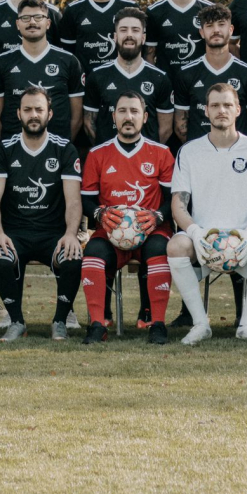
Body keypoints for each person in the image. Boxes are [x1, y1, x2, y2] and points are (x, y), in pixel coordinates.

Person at [165, 83, 247, 346]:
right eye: (215, 105)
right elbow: (178, 205)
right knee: (176, 245)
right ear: (206, 111)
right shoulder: (189, 151)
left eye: (227, 105)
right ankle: (200, 324)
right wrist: (196, 233)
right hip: (203, 237)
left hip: (244, 237)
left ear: (238, 109)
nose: (221, 110)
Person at [0, 87, 85, 342]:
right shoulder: (5, 150)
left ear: (49, 114)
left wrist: (70, 234)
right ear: (18, 113)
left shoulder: (65, 149)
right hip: (14, 234)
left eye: (39, 109)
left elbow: (74, 201)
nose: (33, 115)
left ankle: (60, 321)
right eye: (28, 109)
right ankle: (16, 321)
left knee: (72, 256)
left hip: (53, 234)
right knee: (0, 257)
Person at [80, 92, 177, 344]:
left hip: (152, 230)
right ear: (114, 117)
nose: (128, 117)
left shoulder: (161, 153)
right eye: (122, 111)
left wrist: (157, 216)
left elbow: (174, 199)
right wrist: (100, 214)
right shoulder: (97, 154)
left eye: (134, 111)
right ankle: (97, 324)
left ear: (145, 117)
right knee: (92, 253)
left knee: (159, 249)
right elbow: (86, 200)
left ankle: (157, 324)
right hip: (111, 231)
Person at [0, 0, 84, 141]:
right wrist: (12, 147)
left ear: (48, 23)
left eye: (38, 17)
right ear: (18, 24)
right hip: (15, 150)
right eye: (25, 18)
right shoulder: (2, 62)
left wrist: (62, 147)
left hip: (58, 150)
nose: (32, 22)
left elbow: (77, 118)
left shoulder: (69, 61)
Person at [83, 7, 173, 146]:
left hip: (146, 158)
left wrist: (145, 152)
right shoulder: (97, 76)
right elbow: (89, 125)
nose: (129, 35)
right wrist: (109, 151)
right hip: (109, 158)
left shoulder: (159, 78)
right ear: (115, 37)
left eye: (135, 30)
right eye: (123, 30)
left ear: (143, 38)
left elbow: (166, 129)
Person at [173, 4, 247, 140]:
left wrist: (240, 148)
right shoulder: (186, 73)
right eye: (209, 26)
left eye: (221, 24)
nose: (216, 30)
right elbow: (180, 125)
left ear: (231, 30)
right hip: (199, 151)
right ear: (202, 32)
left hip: (236, 150)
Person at [145, 0, 213, 83]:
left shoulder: (209, 10)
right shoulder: (154, 12)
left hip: (201, 85)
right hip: (167, 86)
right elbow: (149, 55)